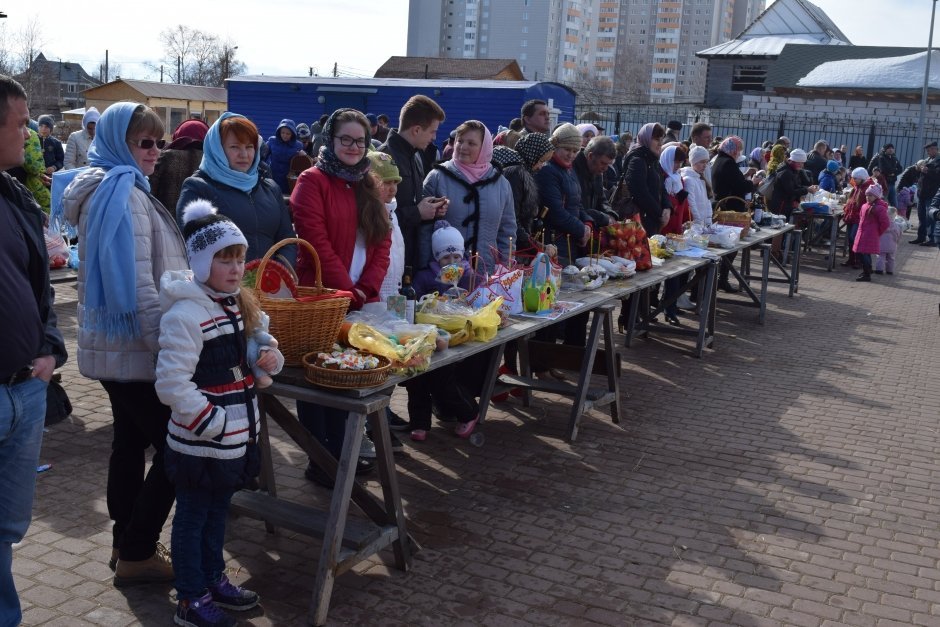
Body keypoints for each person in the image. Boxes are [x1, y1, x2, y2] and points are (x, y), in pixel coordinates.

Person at [62, 101, 187, 585]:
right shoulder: (121, 193)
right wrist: (168, 350)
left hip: (116, 347)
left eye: (160, 142)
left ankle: (124, 543)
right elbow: (140, 287)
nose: (156, 152)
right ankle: (136, 550)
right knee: (179, 451)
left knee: (129, 445)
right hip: (136, 348)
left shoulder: (112, 186)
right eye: (145, 143)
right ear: (120, 143)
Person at [156, 200, 282, 627]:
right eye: (223, 259)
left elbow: (263, 350)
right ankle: (191, 597)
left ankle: (213, 578)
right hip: (202, 443)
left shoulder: (239, 304)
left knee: (216, 517)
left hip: (233, 441)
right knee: (192, 519)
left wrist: (268, 361)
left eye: (239, 258)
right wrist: (215, 423)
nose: (234, 268)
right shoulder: (186, 315)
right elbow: (172, 384)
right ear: (200, 261)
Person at [290, 108, 392, 484]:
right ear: (331, 140)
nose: (353, 146)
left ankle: (342, 453)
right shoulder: (311, 180)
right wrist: (345, 291)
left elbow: (383, 241)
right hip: (320, 298)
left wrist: (365, 288)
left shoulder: (367, 182)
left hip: (359, 298)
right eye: (345, 139)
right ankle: (322, 459)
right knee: (318, 378)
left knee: (345, 378)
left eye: (360, 141)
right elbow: (314, 241)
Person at [0, 74, 67, 627]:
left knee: (6, 527)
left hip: (25, 388)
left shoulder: (14, 193)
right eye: (22, 124)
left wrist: (49, 351)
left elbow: (39, 283)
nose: (31, 136)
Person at [177, 113, 296, 266]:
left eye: (249, 147)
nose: (244, 154)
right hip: (222, 286)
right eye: (234, 147)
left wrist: (280, 272)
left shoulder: (270, 188)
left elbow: (287, 238)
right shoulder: (198, 187)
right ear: (217, 149)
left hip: (271, 285)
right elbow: (194, 247)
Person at [406, 221, 482, 441]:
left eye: (456, 257)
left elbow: (479, 299)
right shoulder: (426, 277)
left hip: (458, 335)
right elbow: (415, 299)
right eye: (446, 258)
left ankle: (468, 412)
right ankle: (419, 423)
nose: (452, 263)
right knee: (416, 376)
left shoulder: (469, 275)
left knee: (443, 377)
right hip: (429, 333)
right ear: (436, 258)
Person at [422, 119, 516, 272]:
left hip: (487, 272)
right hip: (444, 275)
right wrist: (424, 267)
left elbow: (508, 230)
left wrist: (506, 266)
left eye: (471, 143)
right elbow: (424, 229)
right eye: (460, 141)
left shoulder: (501, 184)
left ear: (484, 147)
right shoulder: (437, 177)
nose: (463, 147)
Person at [379, 94, 447, 272]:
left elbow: (409, 202)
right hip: (387, 261)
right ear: (416, 130)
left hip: (408, 257)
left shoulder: (416, 156)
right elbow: (374, 217)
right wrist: (417, 212)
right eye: (432, 131)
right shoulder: (384, 158)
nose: (434, 137)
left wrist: (431, 209)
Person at [538, 122, 593, 264]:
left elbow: (576, 202)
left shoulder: (569, 169)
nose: (571, 155)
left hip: (570, 239)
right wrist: (581, 230)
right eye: (567, 149)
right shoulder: (548, 171)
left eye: (575, 151)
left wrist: (587, 223)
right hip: (555, 241)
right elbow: (556, 211)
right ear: (556, 146)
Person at [711, 136, 756, 292]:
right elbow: (740, 186)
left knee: (728, 248)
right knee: (729, 248)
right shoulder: (728, 163)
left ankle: (721, 278)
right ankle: (721, 279)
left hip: (725, 207)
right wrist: (753, 183)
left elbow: (733, 181)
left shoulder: (720, 160)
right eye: (739, 149)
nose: (739, 153)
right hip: (730, 211)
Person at [498, 132, 554, 254]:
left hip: (519, 243)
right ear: (531, 154)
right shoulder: (516, 174)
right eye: (540, 160)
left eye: (544, 162)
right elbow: (512, 218)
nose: (541, 166)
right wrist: (535, 247)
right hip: (510, 247)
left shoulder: (526, 172)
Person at [149, 118, 209, 213]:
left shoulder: (165, 157)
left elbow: (149, 193)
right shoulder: (210, 163)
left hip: (164, 223)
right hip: (198, 225)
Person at [659, 143, 691, 326]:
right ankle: (654, 304)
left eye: (679, 163)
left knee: (674, 273)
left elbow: (683, 203)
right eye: (675, 162)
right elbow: (665, 202)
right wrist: (676, 201)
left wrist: (687, 218)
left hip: (677, 229)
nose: (677, 166)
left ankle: (670, 308)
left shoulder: (679, 178)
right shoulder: (662, 177)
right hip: (663, 230)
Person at [625, 122, 669, 238]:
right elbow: (640, 193)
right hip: (640, 222)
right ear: (646, 139)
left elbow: (661, 187)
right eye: (656, 139)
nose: (660, 143)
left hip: (652, 219)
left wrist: (667, 208)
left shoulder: (653, 160)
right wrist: (659, 214)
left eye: (661, 139)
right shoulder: (637, 160)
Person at [573, 135, 617, 227]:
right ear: (590, 156)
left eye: (608, 164)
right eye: (603, 163)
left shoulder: (596, 170)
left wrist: (610, 214)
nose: (605, 169)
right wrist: (604, 218)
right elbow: (577, 208)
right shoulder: (572, 170)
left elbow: (601, 199)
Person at [852, 183, 890, 282]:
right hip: (862, 233)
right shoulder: (865, 206)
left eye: (871, 195)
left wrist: (878, 232)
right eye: (867, 195)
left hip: (870, 234)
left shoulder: (879, 208)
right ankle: (866, 270)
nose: (868, 197)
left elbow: (885, 223)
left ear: (876, 196)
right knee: (862, 253)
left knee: (865, 254)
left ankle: (867, 273)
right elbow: (861, 218)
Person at [841, 167, 873, 270]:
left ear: (862, 178)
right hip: (852, 216)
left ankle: (858, 261)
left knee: (854, 238)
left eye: (855, 178)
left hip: (859, 218)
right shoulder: (857, 186)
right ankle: (852, 259)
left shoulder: (867, 189)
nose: (853, 180)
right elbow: (852, 200)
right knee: (851, 239)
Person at [265, 118, 304, 194]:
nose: (285, 135)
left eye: (288, 134)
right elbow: (263, 157)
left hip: (288, 179)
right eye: (283, 133)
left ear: (292, 134)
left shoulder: (298, 145)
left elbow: (301, 164)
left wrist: (303, 156)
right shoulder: (272, 141)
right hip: (273, 175)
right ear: (279, 132)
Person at [914, 141, 940, 245]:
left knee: (930, 217)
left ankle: (932, 239)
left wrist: (927, 171)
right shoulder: (928, 159)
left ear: (935, 149)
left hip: (931, 193)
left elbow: (938, 175)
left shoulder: (938, 160)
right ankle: (921, 237)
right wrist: (919, 168)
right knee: (921, 216)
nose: (928, 153)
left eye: (929, 150)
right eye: (927, 151)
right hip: (922, 192)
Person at [680, 145, 712, 227]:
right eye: (702, 162)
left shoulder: (701, 179)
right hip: (695, 225)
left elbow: (707, 202)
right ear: (693, 162)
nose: (705, 165)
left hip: (703, 225)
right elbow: (691, 203)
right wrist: (698, 221)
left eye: (706, 162)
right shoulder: (689, 180)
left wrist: (708, 220)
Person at [875, 206, 901, 275]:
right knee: (891, 258)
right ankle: (890, 270)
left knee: (880, 257)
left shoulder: (882, 224)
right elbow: (899, 234)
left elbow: (877, 232)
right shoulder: (896, 225)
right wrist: (897, 241)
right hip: (892, 245)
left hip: (881, 244)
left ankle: (879, 270)